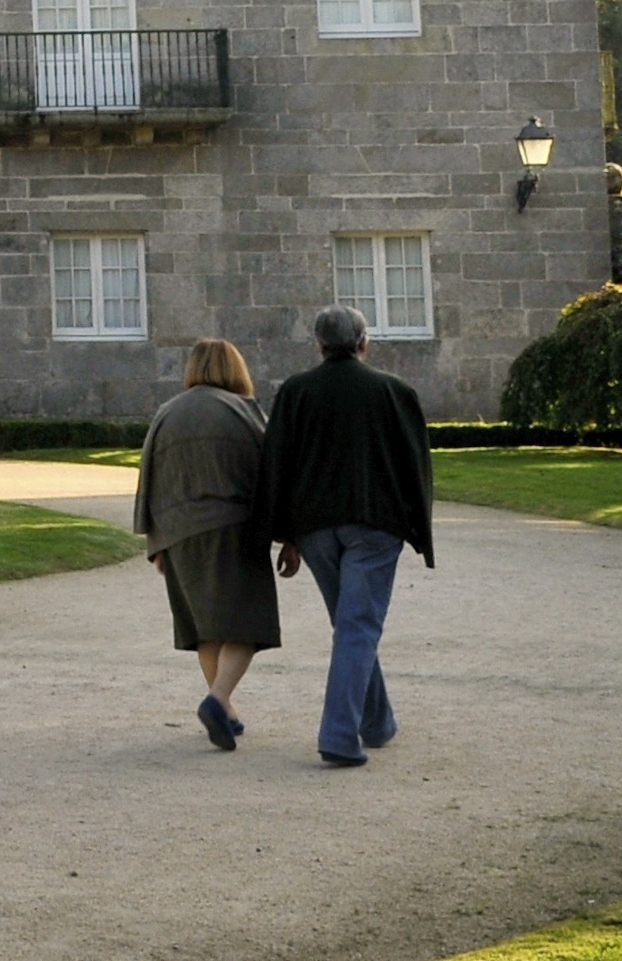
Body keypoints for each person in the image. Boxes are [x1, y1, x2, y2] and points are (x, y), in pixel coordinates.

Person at [264, 303, 437, 765]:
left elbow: (278, 465)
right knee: (357, 625)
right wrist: (420, 533)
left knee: (351, 625)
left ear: (319, 345)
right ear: (364, 342)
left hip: (316, 528)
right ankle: (340, 734)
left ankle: (377, 723)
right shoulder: (394, 391)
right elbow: (415, 468)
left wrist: (286, 536)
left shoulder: (296, 392)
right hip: (376, 525)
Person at [132, 338, 279, 750]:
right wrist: (285, 535)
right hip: (234, 529)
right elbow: (267, 474)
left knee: (205, 629)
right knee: (249, 623)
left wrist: (155, 542)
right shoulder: (244, 411)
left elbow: (150, 479)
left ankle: (226, 711)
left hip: (178, 534)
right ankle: (218, 699)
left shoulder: (167, 414)